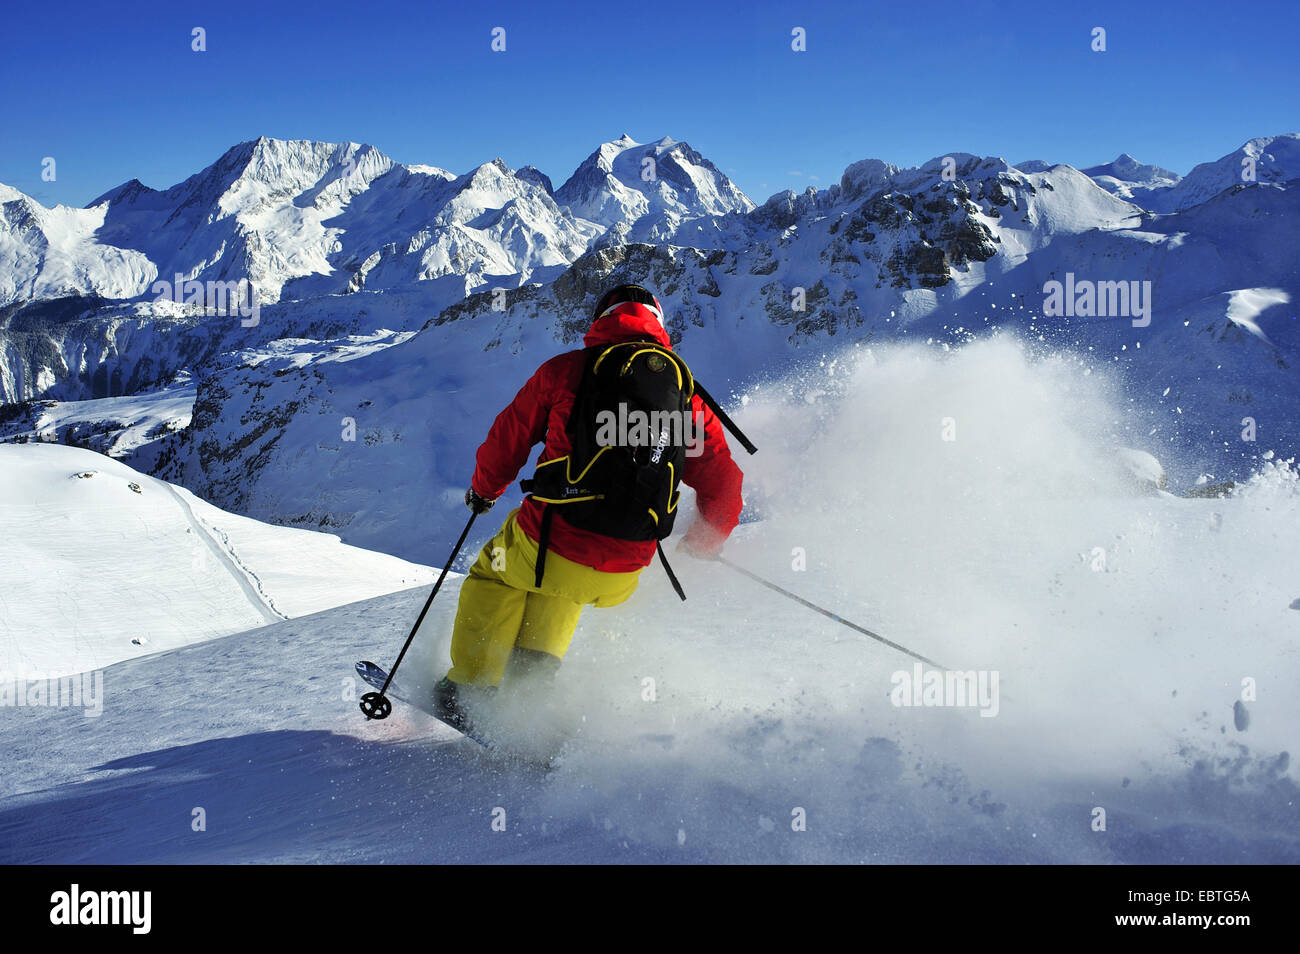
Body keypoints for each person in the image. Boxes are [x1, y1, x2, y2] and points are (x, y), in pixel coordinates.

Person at [434, 284, 745, 730]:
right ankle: (528, 695)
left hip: (553, 542)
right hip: (626, 568)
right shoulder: (686, 395)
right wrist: (704, 542)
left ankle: (470, 691)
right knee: (561, 589)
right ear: (659, 326)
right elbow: (723, 480)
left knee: (495, 575)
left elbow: (509, 437)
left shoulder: (566, 371)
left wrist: (484, 491)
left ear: (601, 320)